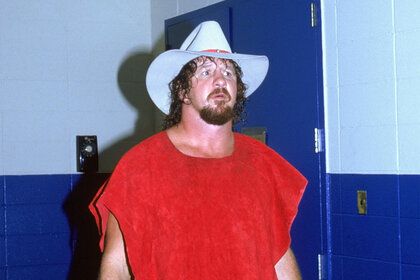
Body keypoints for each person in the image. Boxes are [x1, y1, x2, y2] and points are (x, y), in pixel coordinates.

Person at [89, 21, 307, 279]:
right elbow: (117, 266)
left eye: (228, 72)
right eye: (205, 72)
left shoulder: (262, 163)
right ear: (182, 90)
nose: (220, 80)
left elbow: (278, 256)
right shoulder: (140, 166)